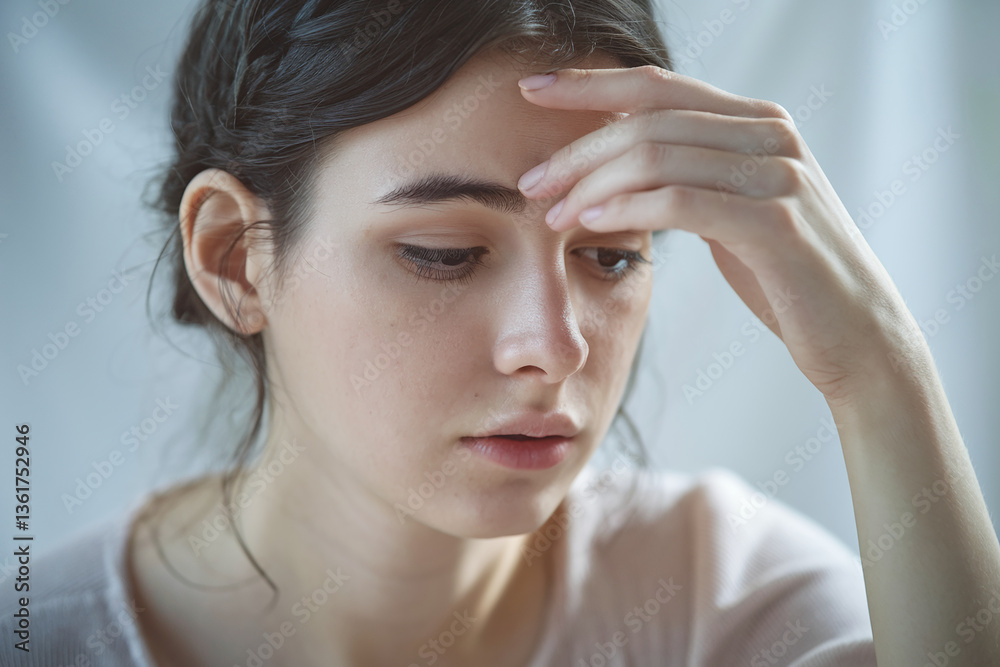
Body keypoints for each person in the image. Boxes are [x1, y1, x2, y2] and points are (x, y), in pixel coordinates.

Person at [4, 0, 999, 665]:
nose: (553, 347)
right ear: (232, 257)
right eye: (442, 252)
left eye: (610, 255)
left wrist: (879, 370)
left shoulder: (726, 604)